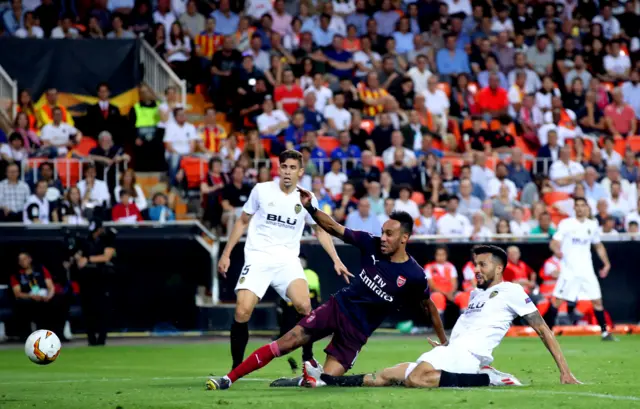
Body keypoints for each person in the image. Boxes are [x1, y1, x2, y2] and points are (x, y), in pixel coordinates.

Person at [207, 202, 447, 390]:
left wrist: (444, 342)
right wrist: (311, 208)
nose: (383, 238)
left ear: (404, 238)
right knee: (288, 340)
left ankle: (309, 378)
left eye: (390, 234)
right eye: (383, 232)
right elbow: (333, 227)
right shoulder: (370, 244)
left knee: (325, 382)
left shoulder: (414, 275)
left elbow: (430, 308)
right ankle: (229, 378)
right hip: (338, 308)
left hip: (357, 332)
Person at [303, 245, 580, 389]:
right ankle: (327, 380)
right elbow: (468, 326)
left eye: (482, 265)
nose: (476, 270)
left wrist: (565, 371)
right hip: (454, 351)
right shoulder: (474, 294)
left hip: (470, 357)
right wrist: (447, 345)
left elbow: (543, 330)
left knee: (417, 379)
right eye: (475, 265)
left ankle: (489, 379)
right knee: (386, 375)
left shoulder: (512, 290)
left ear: (499, 268)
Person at [216, 150, 349, 371]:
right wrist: (226, 253)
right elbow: (242, 221)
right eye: (284, 167)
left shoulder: (306, 197)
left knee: (305, 305)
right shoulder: (261, 190)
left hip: (287, 261)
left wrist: (336, 258)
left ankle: (308, 358)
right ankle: (236, 367)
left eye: (292, 168)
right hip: (259, 257)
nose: (287, 172)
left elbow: (320, 230)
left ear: (300, 172)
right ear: (279, 169)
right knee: (242, 311)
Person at [545, 198, 615, 341]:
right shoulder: (566, 224)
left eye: (583, 205)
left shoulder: (592, 225)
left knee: (597, 301)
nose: (580, 208)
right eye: (577, 206)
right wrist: (556, 250)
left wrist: (606, 263)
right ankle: (547, 333)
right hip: (569, 270)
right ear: (574, 209)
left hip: (586, 271)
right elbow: (554, 242)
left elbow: (598, 245)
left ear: (587, 208)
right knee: (557, 302)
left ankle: (605, 333)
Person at [74, 218, 116, 346]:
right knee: (87, 310)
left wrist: (88, 259)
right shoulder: (85, 241)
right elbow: (78, 256)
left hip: (102, 278)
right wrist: (78, 258)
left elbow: (106, 256)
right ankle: (91, 339)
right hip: (87, 279)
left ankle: (102, 339)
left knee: (103, 310)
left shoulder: (108, 238)